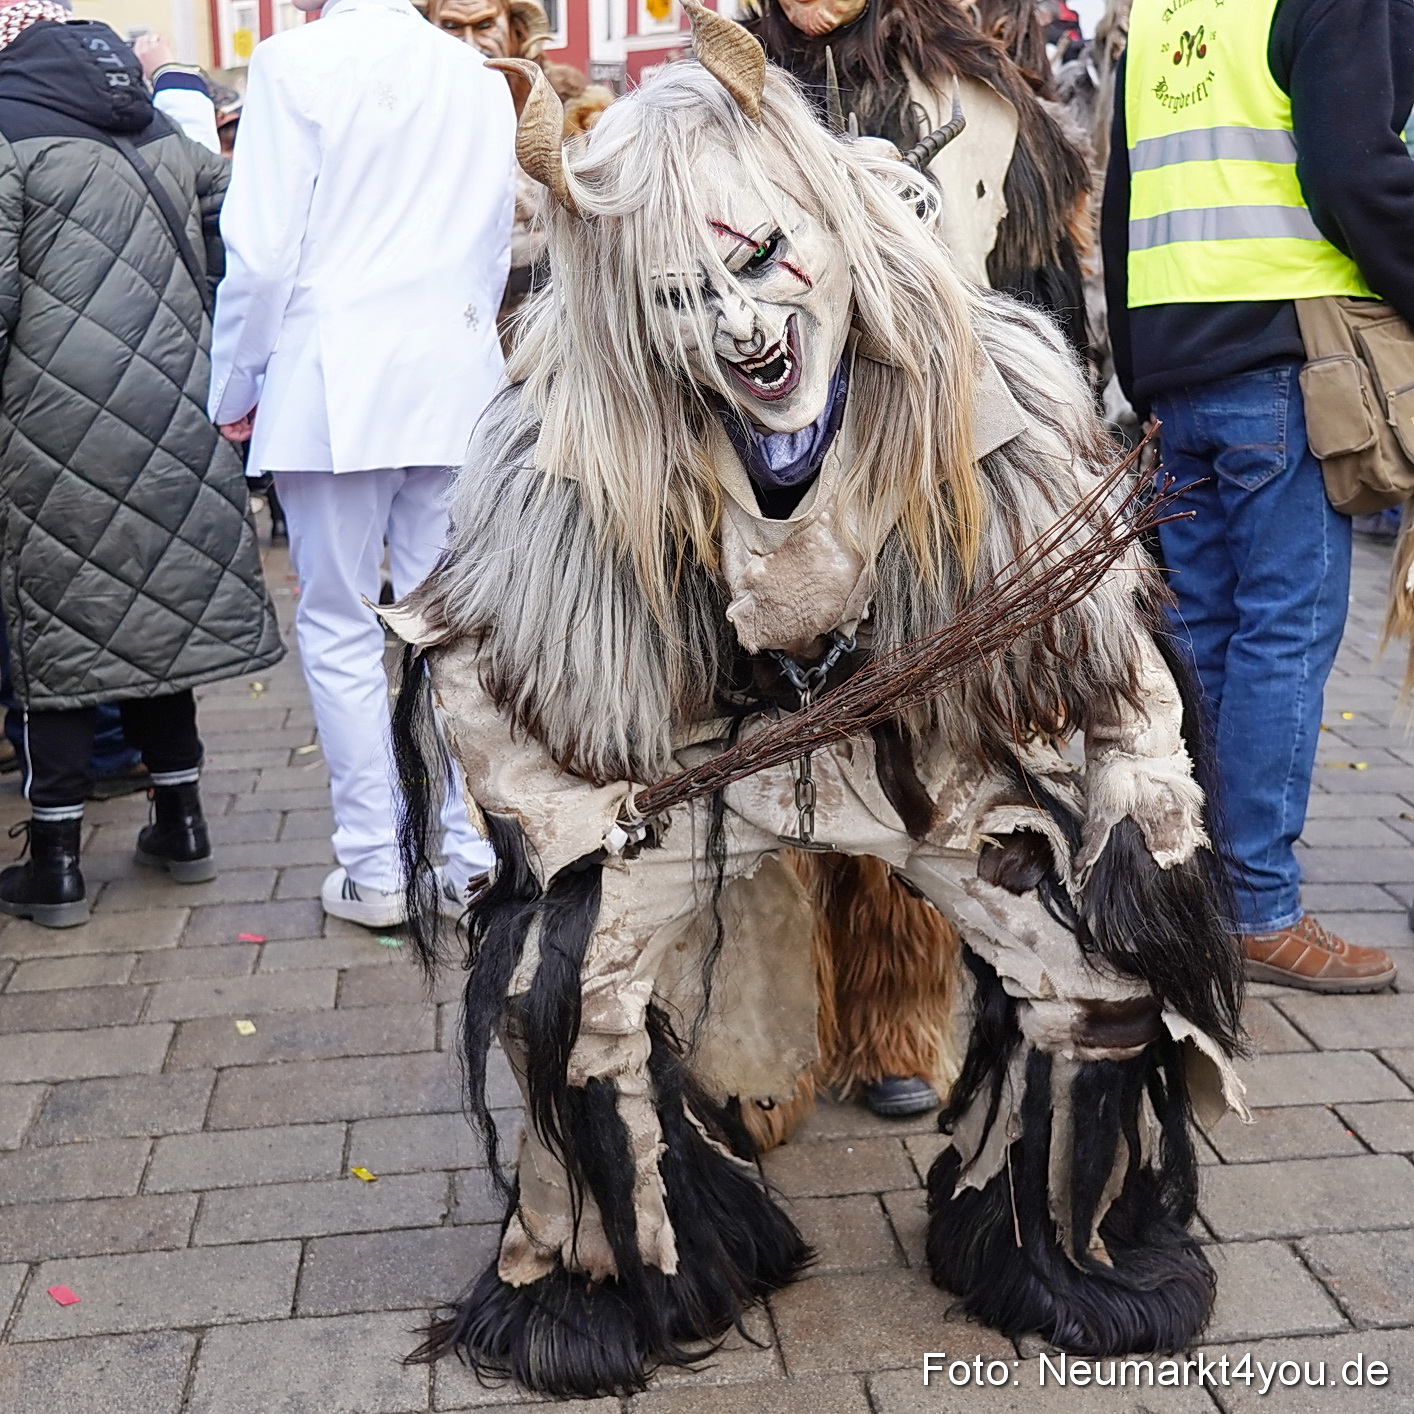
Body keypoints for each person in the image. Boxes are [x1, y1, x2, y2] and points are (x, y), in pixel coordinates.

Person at [389, 7, 1246, 1393]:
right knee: (562, 984)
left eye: (760, 264)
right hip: (697, 755)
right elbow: (481, 667)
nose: (740, 323)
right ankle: (625, 1253)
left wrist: (1141, 803)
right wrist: (563, 816)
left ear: (837, 242)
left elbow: (1111, 657)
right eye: (682, 296)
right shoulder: (570, 441)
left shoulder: (983, 397)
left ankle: (1049, 1229)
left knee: (1090, 974)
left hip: (917, 747)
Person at [1103, 0, 1414, 991]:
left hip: (1177, 366)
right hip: (1284, 363)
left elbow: (1121, 203)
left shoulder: (1162, 14)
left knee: (1205, 633)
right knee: (1284, 630)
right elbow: (1355, 173)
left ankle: (1198, 885)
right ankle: (1259, 907)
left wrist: (1140, 370)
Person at [209, 0, 515, 929]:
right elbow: (492, 245)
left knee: (340, 626)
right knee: (447, 627)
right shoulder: (475, 75)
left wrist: (234, 385)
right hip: (452, 372)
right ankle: (466, 853)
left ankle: (378, 864)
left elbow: (259, 254)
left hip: (334, 372)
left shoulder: (292, 63)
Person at [0, 10, 284, 927]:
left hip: (51, 415)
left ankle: (55, 866)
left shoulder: (9, 141)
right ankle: (184, 824)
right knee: (159, 613)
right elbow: (234, 251)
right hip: (176, 398)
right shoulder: (167, 139)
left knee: (62, 629)